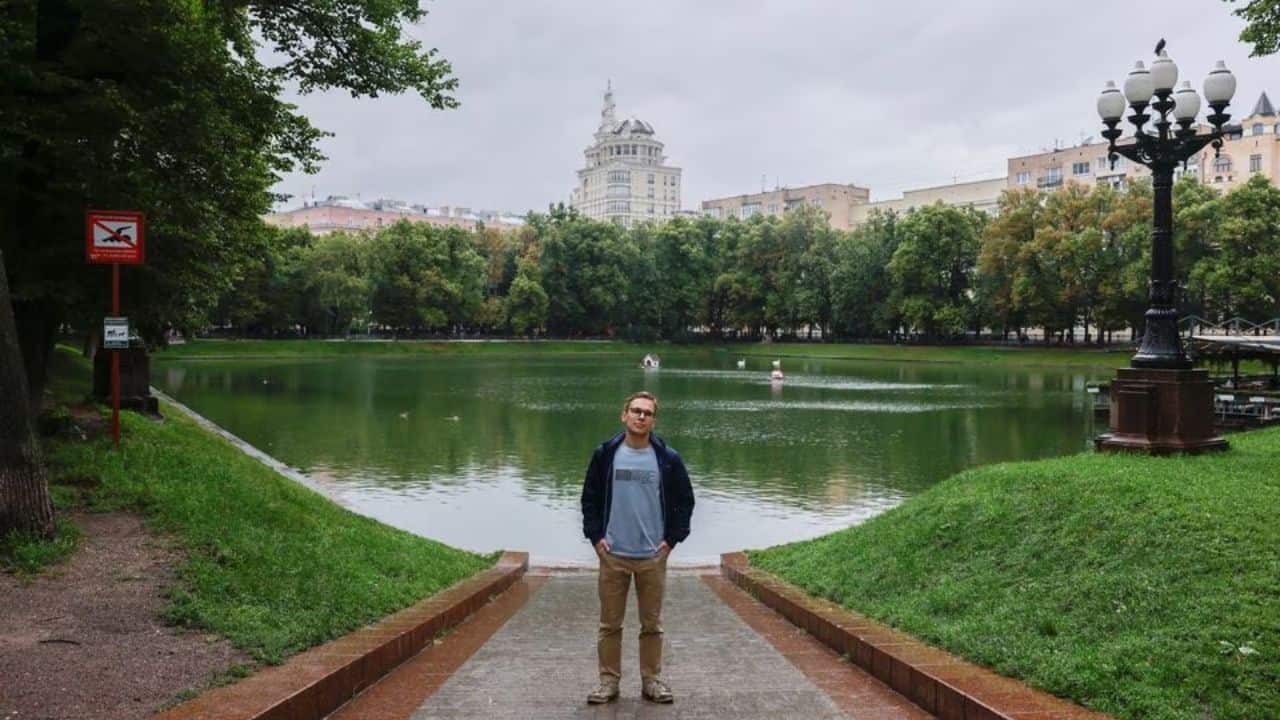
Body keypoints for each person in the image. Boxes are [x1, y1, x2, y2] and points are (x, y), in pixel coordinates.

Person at [580, 391, 694, 705]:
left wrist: (671, 540)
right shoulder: (605, 455)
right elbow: (589, 499)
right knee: (609, 625)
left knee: (652, 625)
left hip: (652, 557)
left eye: (647, 413)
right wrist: (596, 538)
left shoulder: (668, 459)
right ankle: (608, 683)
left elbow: (685, 502)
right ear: (624, 415)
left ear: (653, 421)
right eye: (636, 411)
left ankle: (651, 681)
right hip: (613, 555)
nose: (641, 417)